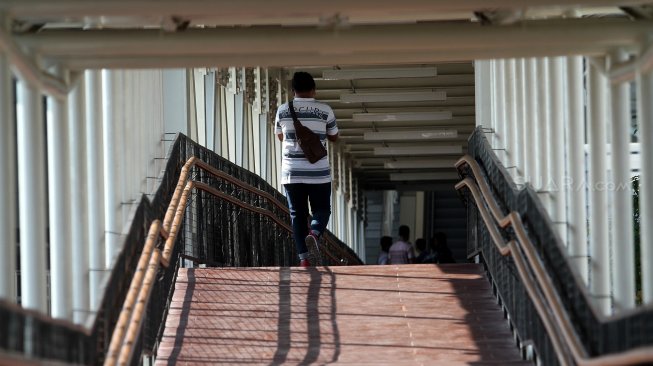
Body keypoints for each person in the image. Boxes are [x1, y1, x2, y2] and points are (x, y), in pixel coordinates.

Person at [275, 71, 339, 267]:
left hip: (292, 172)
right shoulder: (325, 110)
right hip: (318, 172)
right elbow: (334, 136)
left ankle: (304, 259)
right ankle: (315, 233)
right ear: (313, 90)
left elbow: (280, 136)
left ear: (293, 90)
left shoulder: (283, 110)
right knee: (322, 209)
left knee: (297, 215)